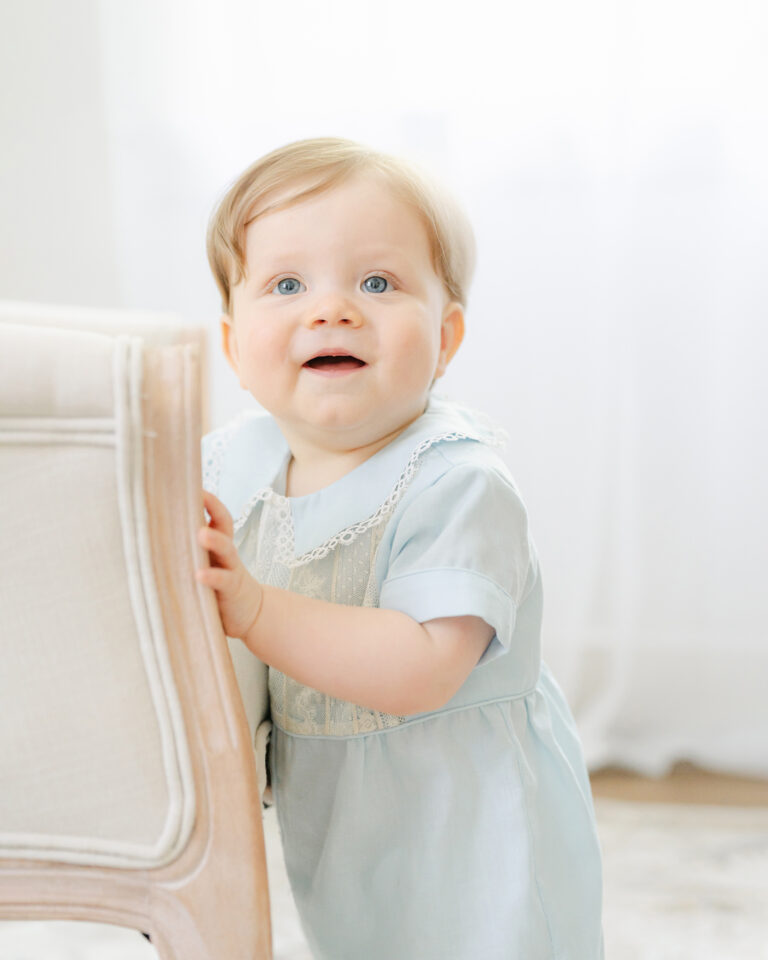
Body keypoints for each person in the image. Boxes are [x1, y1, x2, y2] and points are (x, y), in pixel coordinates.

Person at [196, 137, 604, 959]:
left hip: (474, 822)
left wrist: (257, 608)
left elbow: (421, 667)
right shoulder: (231, 462)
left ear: (446, 337)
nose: (332, 309)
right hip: (341, 817)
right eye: (286, 284)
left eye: (377, 283)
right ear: (235, 345)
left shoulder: (458, 483)